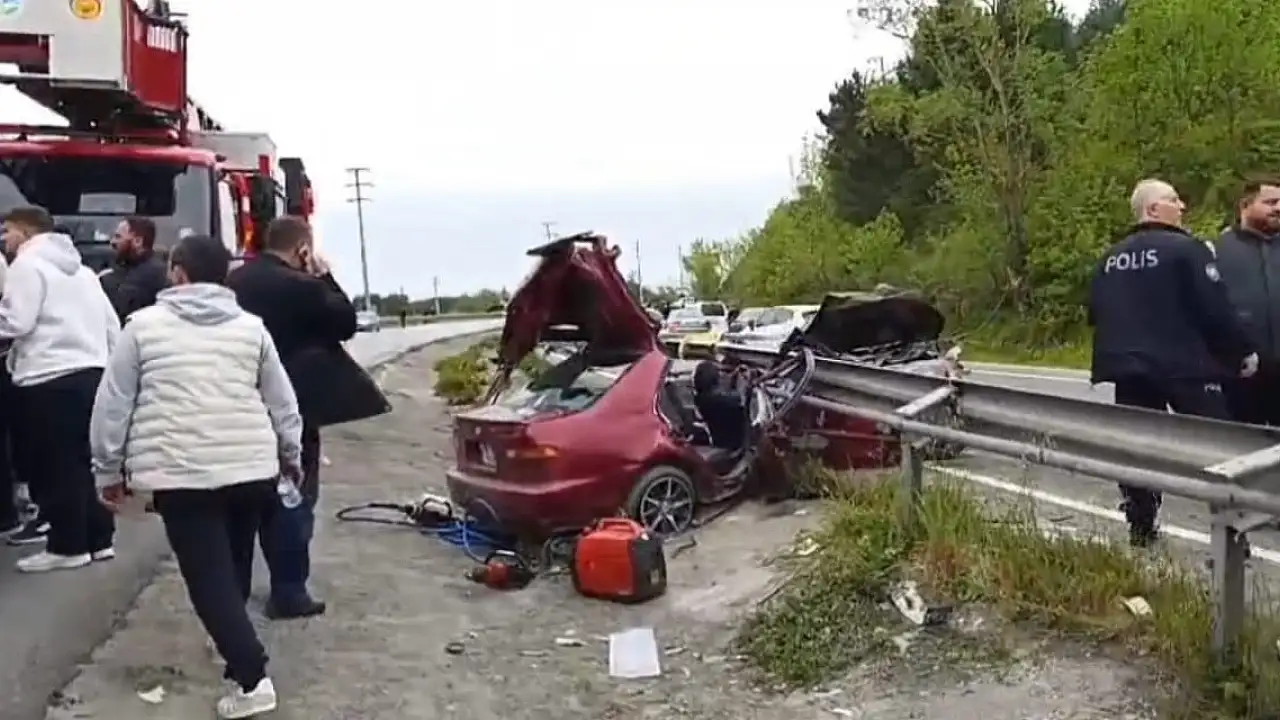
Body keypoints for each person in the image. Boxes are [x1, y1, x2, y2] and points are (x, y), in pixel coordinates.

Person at [91, 234, 302, 719]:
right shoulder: (252, 329)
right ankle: (233, 644)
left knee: (208, 579)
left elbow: (113, 405)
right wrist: (290, 457)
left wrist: (107, 469)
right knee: (233, 561)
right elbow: (283, 402)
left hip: (181, 473)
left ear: (178, 274)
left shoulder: (141, 328)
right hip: (251, 468)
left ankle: (252, 678)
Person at [1088, 179, 1257, 548]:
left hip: (1129, 369)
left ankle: (1141, 525)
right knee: (1218, 448)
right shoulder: (1186, 250)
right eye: (1173, 200)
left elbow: (1095, 311)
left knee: (1136, 448)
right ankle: (1232, 537)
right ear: (1153, 209)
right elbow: (1215, 309)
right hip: (1185, 366)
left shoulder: (1110, 258)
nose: (1182, 206)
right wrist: (1241, 352)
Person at [227, 216, 357, 619]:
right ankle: (288, 592)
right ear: (303, 249)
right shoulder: (304, 287)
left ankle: (232, 593)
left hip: (238, 406)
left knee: (239, 500)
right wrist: (326, 276)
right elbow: (346, 323)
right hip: (294, 407)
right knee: (291, 497)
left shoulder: (233, 282)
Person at [0, 206, 119, 571]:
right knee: (84, 461)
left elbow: (16, 321)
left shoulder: (26, 265)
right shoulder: (82, 271)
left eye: (7, 231)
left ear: (26, 232)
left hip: (48, 375)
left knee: (55, 466)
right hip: (91, 372)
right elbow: (111, 325)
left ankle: (67, 546)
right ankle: (99, 539)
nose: (3, 239)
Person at [1214, 178, 1280, 425]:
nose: (1279, 208)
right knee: (1241, 440)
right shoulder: (1216, 250)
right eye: (1271, 202)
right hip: (1240, 373)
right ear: (1245, 206)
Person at [99, 216, 169, 324]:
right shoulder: (127, 268)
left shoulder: (148, 275)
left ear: (138, 241)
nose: (113, 242)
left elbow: (119, 309)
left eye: (118, 237)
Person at [692, 361, 747, 450]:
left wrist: (733, 379)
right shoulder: (719, 400)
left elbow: (727, 395)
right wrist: (744, 384)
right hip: (734, 445)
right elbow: (741, 399)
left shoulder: (700, 398)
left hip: (719, 441)